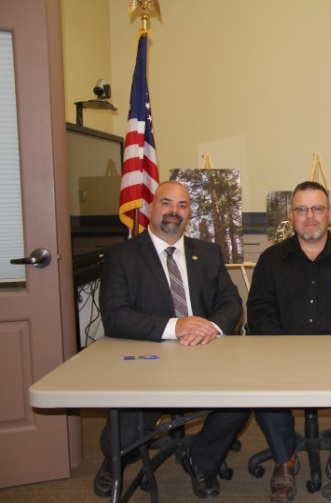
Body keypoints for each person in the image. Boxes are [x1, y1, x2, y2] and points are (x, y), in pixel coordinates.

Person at [95, 180, 251, 499]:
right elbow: (115, 315)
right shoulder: (122, 256)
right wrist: (175, 326)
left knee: (241, 401)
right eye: (166, 202)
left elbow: (231, 302)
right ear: (150, 207)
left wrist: (211, 327)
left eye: (182, 205)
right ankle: (115, 461)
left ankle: (201, 461)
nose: (174, 212)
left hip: (204, 353)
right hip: (148, 360)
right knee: (121, 437)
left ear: (189, 212)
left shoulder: (207, 253)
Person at [246, 181, 331, 503]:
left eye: (317, 208)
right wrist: (285, 349)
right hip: (283, 353)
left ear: (330, 215)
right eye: (302, 209)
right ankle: (285, 459)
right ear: (291, 216)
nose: (310, 217)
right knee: (263, 387)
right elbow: (259, 312)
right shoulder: (271, 260)